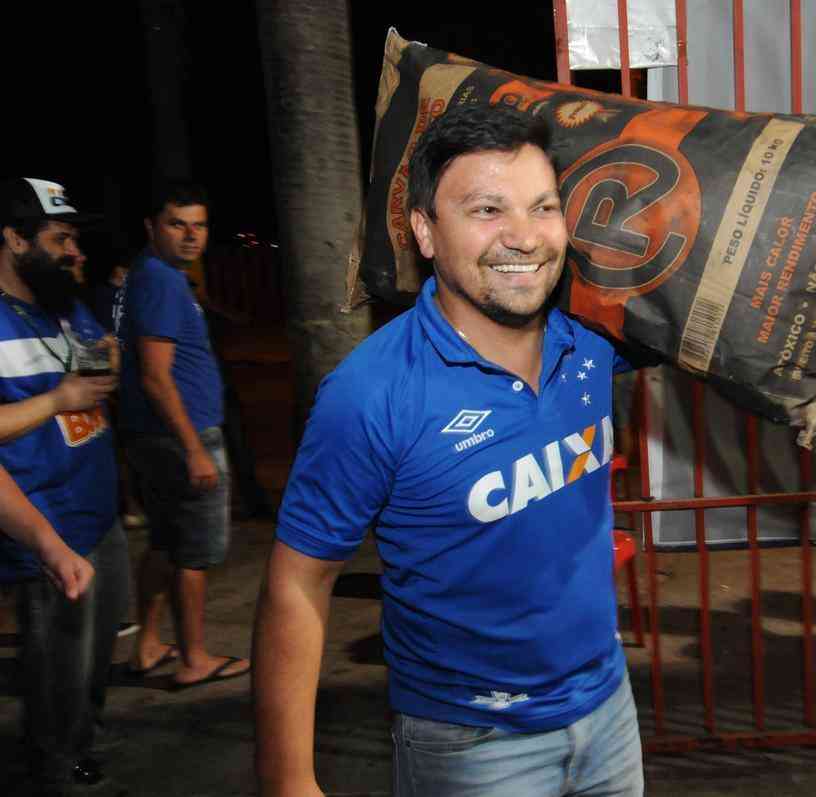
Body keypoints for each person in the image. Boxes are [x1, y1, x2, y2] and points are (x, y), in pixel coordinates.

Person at [253, 104, 644, 797]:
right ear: (426, 232)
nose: (523, 236)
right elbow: (298, 580)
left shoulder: (593, 345)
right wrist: (288, 778)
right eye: (487, 210)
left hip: (610, 712)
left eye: (544, 206)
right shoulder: (372, 395)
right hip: (472, 745)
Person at [0, 177, 129, 794]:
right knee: (57, 666)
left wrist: (107, 362)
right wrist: (60, 398)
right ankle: (55, 767)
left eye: (75, 238)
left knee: (95, 654)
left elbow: (94, 373)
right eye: (61, 239)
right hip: (45, 523)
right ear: (14, 239)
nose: (75, 252)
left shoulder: (64, 304)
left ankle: (85, 736)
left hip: (99, 512)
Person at [114, 180, 250, 689]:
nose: (192, 236)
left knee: (165, 543)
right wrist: (194, 448)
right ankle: (194, 658)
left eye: (200, 225)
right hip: (181, 437)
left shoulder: (153, 275)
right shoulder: (162, 281)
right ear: (152, 227)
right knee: (195, 552)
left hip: (155, 436)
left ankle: (148, 645)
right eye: (178, 224)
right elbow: (155, 374)